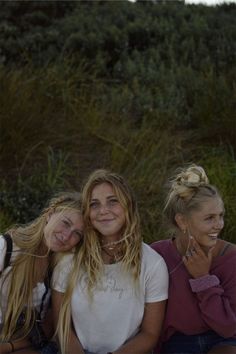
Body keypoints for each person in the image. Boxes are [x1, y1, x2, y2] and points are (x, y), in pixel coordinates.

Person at [52, 169, 169, 354]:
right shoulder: (70, 261)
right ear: (87, 213)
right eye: (94, 204)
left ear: (128, 206)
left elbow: (149, 335)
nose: (103, 211)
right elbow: (62, 329)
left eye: (113, 201)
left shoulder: (152, 264)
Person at [151, 164, 236, 354]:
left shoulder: (231, 257)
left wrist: (202, 279)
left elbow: (229, 327)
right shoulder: (157, 255)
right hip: (178, 343)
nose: (219, 225)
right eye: (209, 218)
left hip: (223, 340)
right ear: (182, 221)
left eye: (221, 216)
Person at [0, 192, 84, 354]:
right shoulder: (7, 248)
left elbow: (47, 326)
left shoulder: (61, 268)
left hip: (22, 345)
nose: (67, 236)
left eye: (77, 234)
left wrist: (8, 347)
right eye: (66, 223)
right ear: (50, 214)